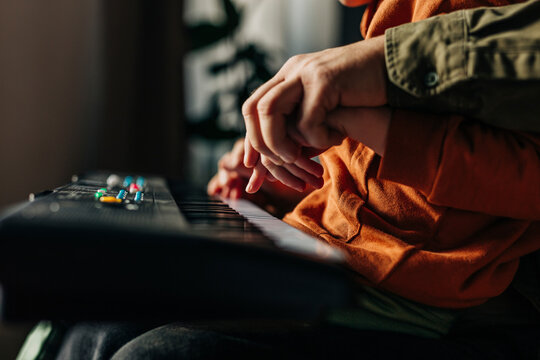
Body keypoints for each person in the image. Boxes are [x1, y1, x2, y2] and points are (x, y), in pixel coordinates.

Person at [17, 1, 540, 359]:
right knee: (94, 324)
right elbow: (370, 178)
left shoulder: (480, 21)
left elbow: (514, 176)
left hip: (417, 290)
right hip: (334, 252)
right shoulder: (384, 18)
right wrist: (277, 176)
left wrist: (372, 125)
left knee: (155, 351)